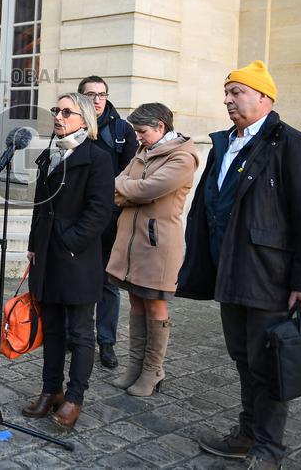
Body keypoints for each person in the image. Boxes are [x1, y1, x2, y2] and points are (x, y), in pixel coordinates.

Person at [177, 61, 301, 470]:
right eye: (226, 92)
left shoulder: (293, 144)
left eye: (237, 92)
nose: (227, 99)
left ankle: (268, 449)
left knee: (269, 363)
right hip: (230, 270)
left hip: (268, 275)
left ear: (264, 97)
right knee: (243, 357)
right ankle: (246, 433)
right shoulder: (224, 143)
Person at [21, 92, 112, 430]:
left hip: (77, 257)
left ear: (84, 120)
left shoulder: (98, 158)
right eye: (55, 111)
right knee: (53, 328)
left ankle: (74, 397)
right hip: (46, 254)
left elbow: (100, 210)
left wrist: (70, 242)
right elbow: (39, 205)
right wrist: (34, 244)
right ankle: (50, 391)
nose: (58, 117)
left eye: (66, 112)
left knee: (80, 331)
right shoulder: (50, 153)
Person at [105, 103, 198, 396]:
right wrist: (129, 188)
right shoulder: (142, 151)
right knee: (135, 302)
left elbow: (146, 190)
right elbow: (117, 184)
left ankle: (153, 370)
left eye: (142, 131)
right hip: (131, 241)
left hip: (158, 244)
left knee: (155, 305)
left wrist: (128, 188)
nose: (138, 137)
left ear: (160, 126)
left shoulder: (182, 158)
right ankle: (135, 366)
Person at [78, 75, 137, 369]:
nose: (97, 100)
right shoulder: (74, 124)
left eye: (101, 94)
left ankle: (106, 342)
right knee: (78, 278)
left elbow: (132, 172)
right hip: (78, 217)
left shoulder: (122, 129)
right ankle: (76, 335)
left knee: (108, 283)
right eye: (91, 95)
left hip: (111, 219)